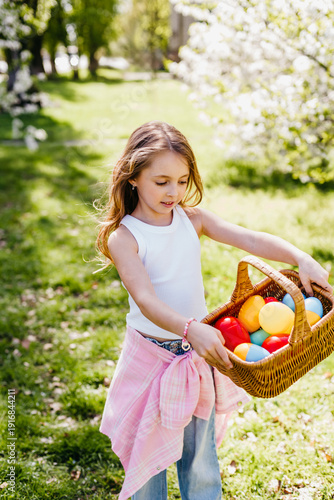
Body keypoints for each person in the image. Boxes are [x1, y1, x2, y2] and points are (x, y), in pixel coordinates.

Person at [96, 121, 332, 500]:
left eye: (182, 180)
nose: (174, 192)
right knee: (146, 466)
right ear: (133, 176)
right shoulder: (126, 237)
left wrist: (299, 257)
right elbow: (146, 300)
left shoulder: (192, 220)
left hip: (196, 357)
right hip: (152, 358)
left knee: (200, 461)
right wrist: (191, 328)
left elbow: (249, 238)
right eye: (162, 182)